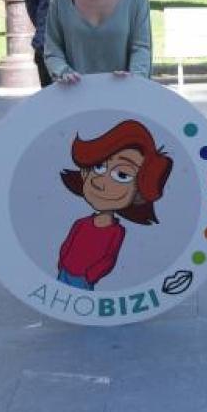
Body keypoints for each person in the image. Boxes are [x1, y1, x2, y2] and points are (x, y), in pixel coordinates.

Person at [56, 119, 173, 290]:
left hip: (83, 281)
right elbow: (67, 245)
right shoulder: (81, 223)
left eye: (122, 175)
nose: (100, 181)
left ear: (138, 195)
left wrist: (90, 276)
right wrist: (61, 265)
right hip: (64, 273)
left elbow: (108, 260)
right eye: (98, 167)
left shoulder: (116, 232)